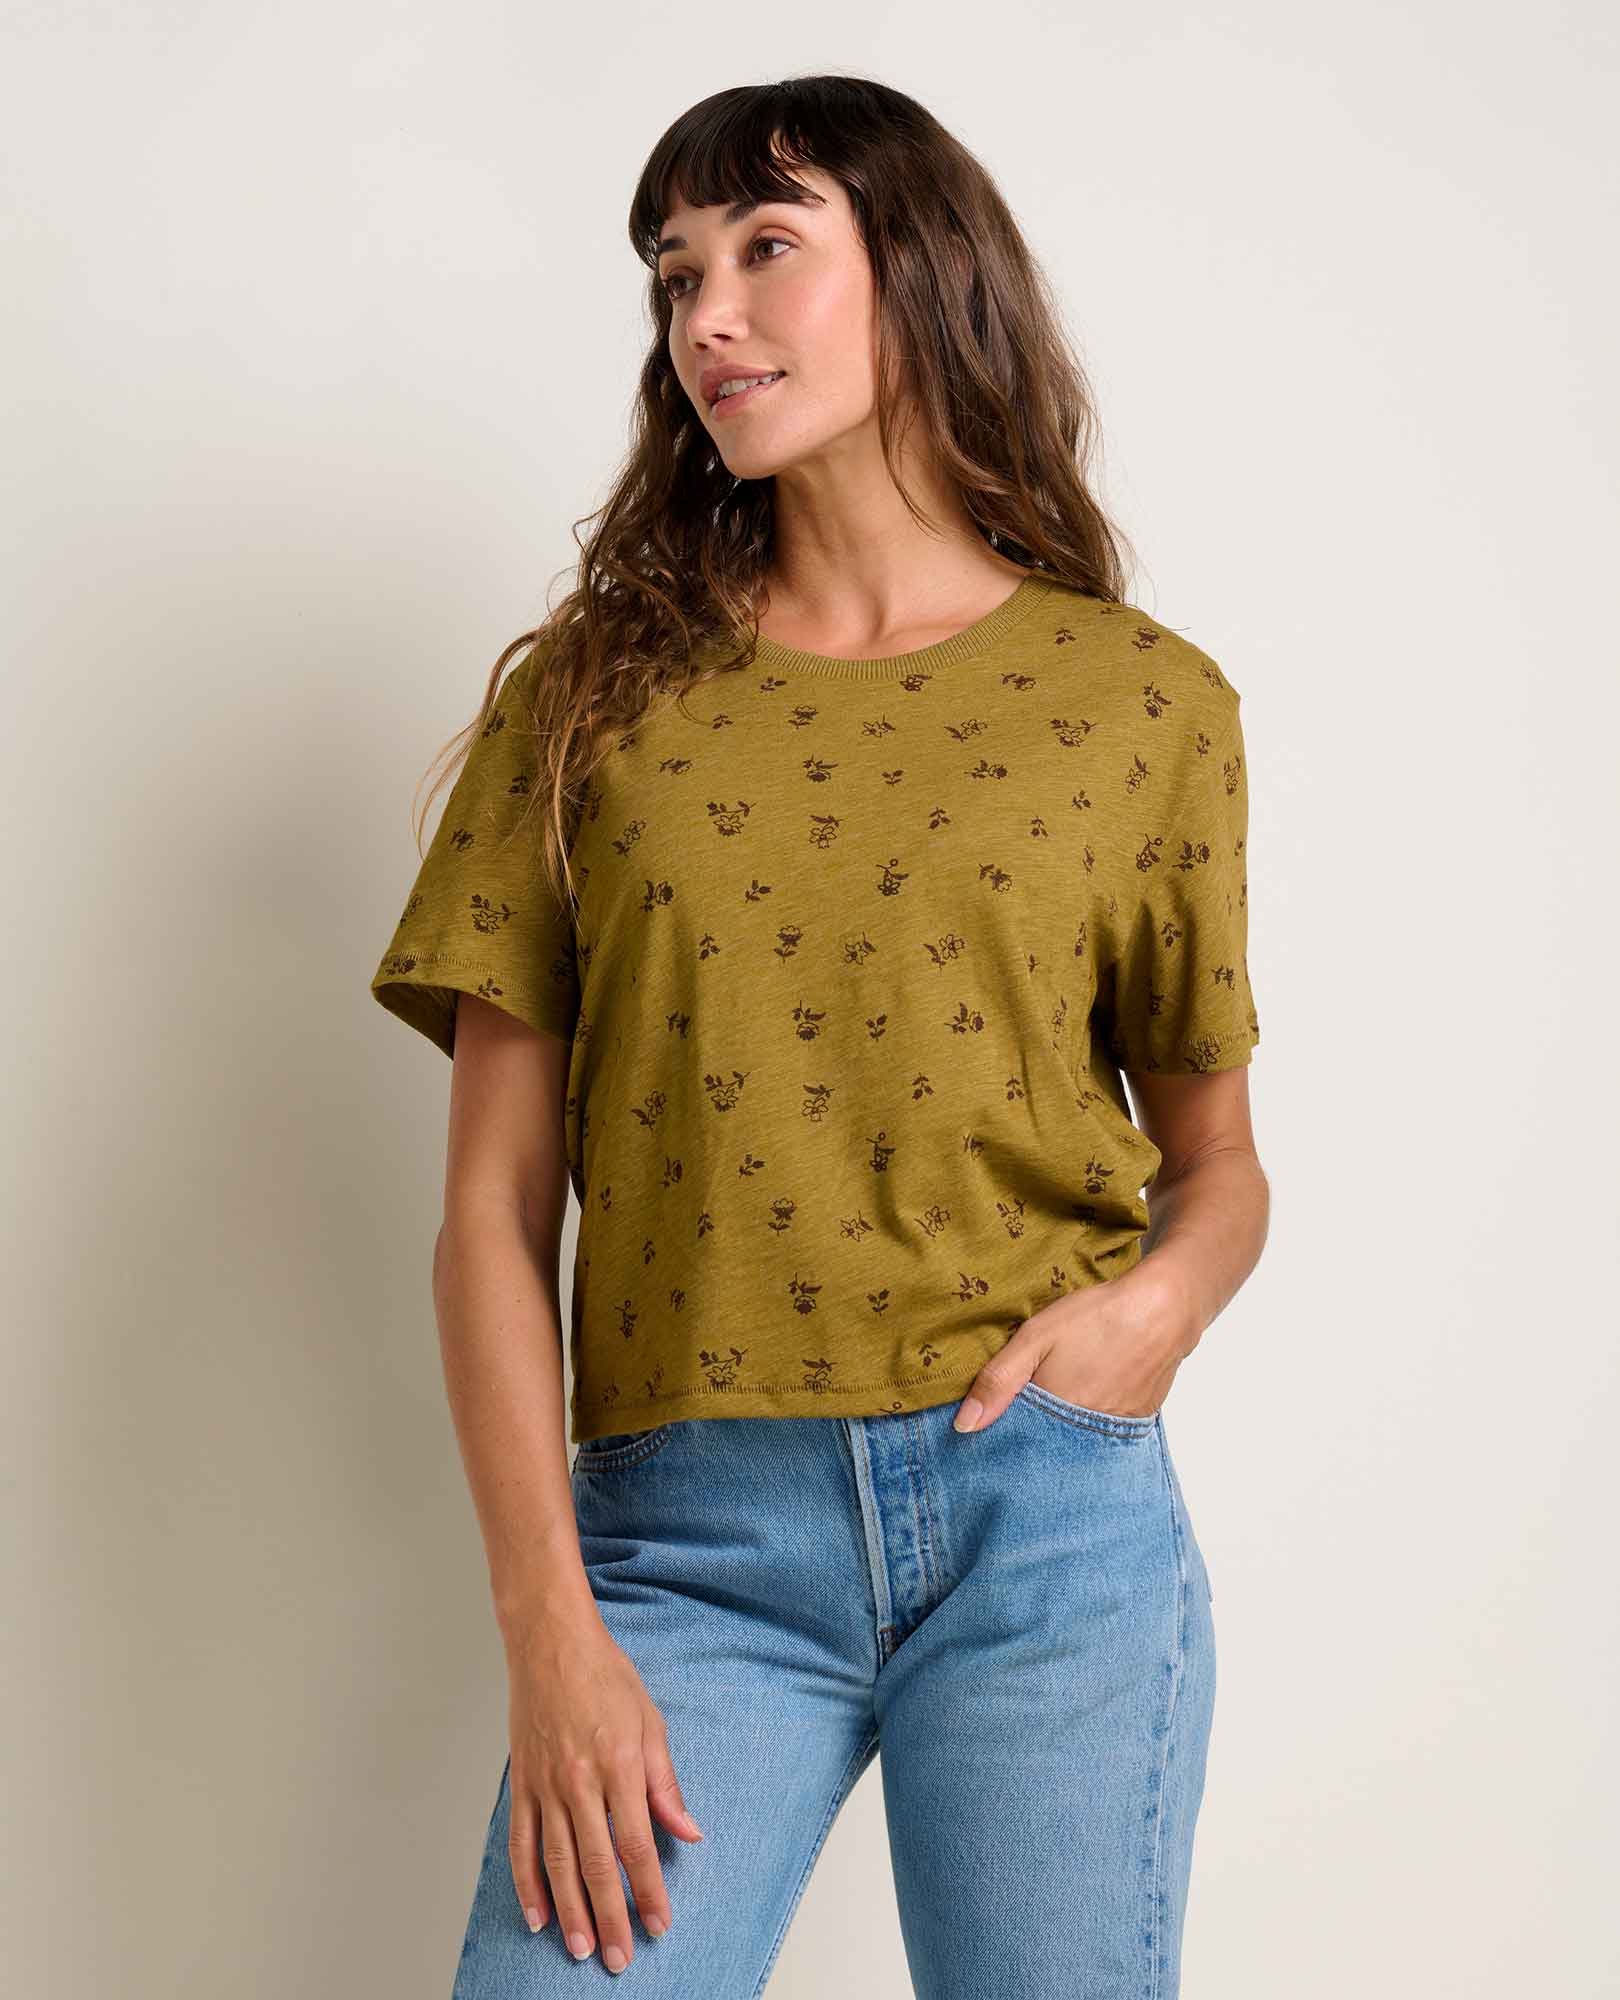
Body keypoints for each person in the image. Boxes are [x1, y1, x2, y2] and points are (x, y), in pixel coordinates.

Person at [370, 74, 1268, 1998]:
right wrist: (551, 1635)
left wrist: (1152, 1318)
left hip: (1049, 1526)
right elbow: (490, 1217)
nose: (708, 317)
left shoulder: (1141, 703)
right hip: (691, 1551)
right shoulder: (591, 707)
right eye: (674, 275)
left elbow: (1219, 1163)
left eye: (766, 250)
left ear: (922, 271)